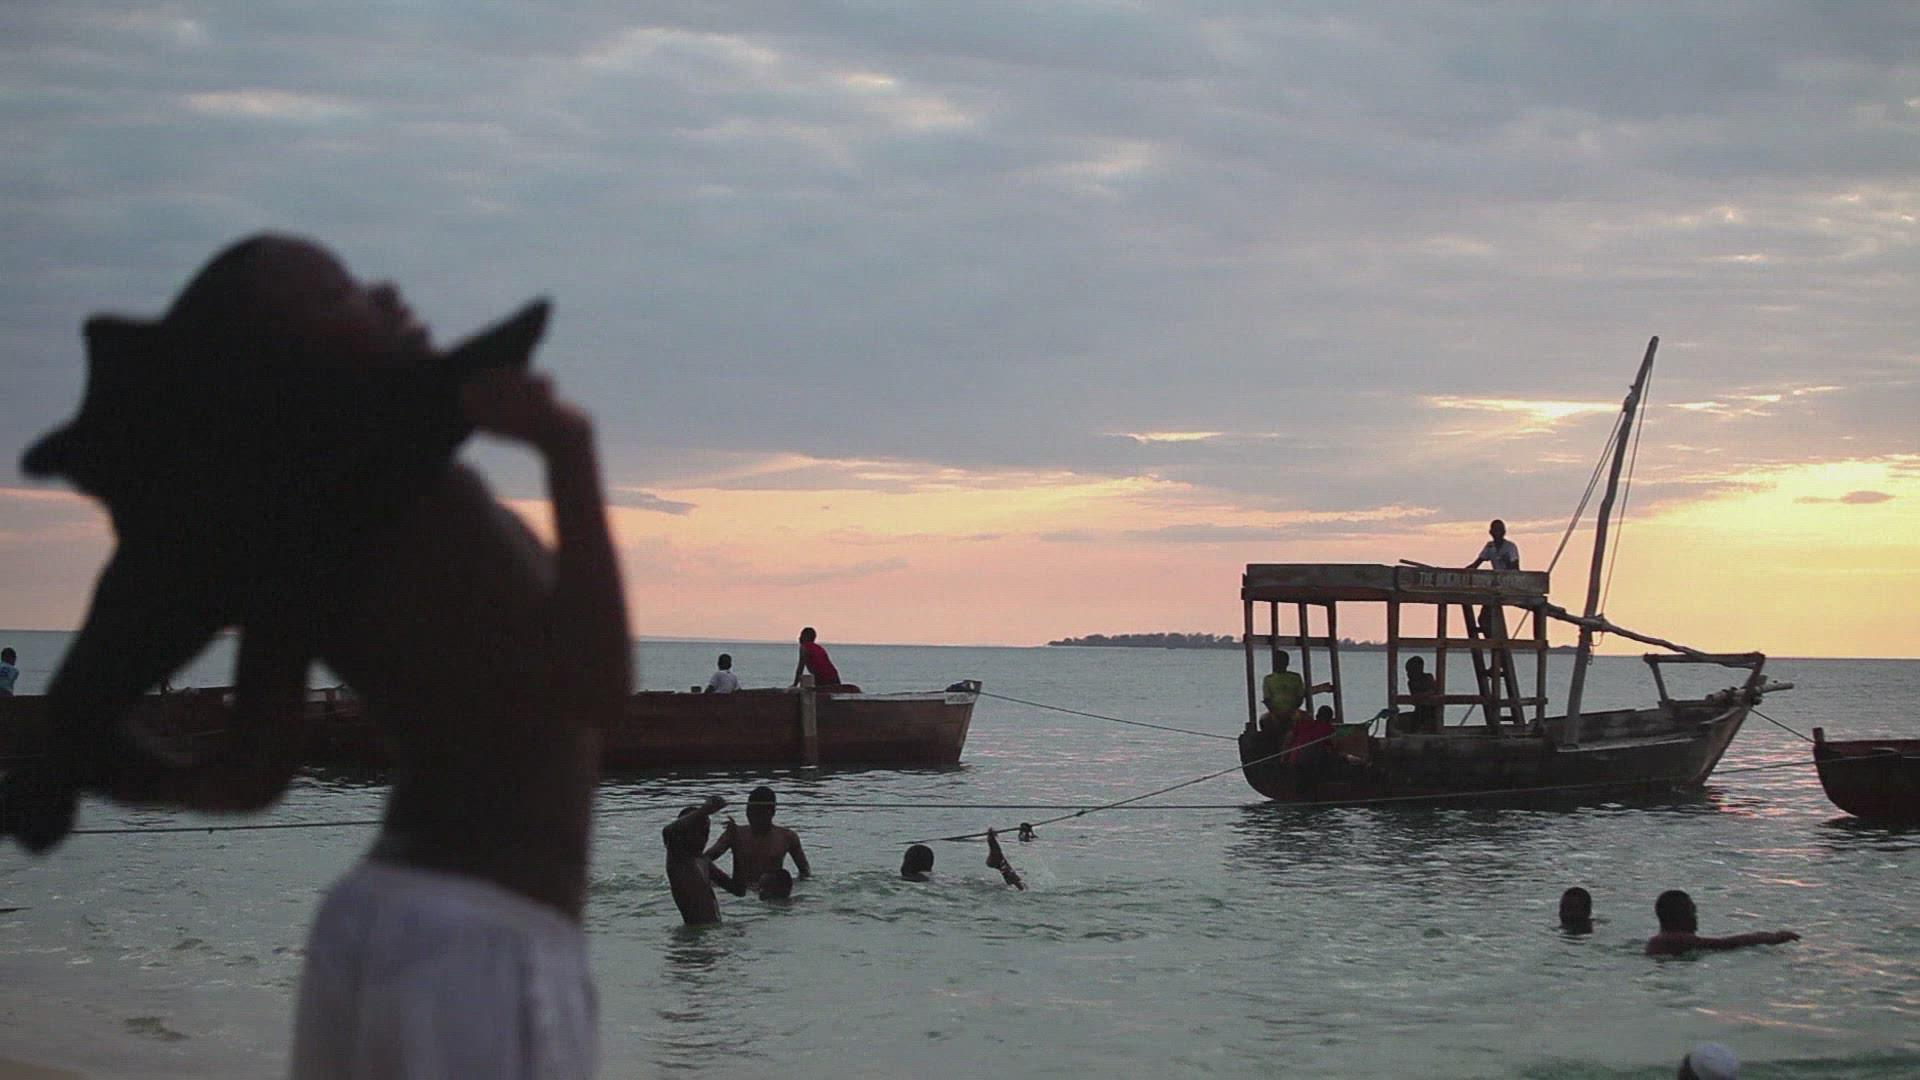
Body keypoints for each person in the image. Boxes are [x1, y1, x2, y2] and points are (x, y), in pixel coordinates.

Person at [5, 234, 629, 1078]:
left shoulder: (299, 539)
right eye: (340, 297)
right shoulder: (430, 503)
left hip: (373, 920)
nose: (384, 292)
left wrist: (99, 771)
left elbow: (253, 773)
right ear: (293, 359)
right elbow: (597, 690)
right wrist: (567, 447)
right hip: (479, 943)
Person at [704, 785, 811, 886]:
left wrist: (785, 886)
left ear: (772, 812)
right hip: (742, 890)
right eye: (750, 811)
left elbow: (805, 872)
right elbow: (704, 860)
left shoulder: (787, 837)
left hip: (771, 892)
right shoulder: (735, 833)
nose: (753, 816)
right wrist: (720, 882)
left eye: (759, 813)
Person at [664, 796, 745, 925]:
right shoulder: (678, 859)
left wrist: (736, 846)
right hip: (695, 933)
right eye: (696, 831)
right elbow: (669, 831)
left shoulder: (703, 862)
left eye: (705, 831)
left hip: (713, 927)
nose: (702, 837)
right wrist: (704, 811)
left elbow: (739, 890)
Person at [1645, 890, 1799, 957]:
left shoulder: (1662, 941)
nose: (1696, 918)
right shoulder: (1677, 939)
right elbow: (1726, 944)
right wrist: (1772, 938)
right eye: (1692, 912)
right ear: (1679, 916)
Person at [791, 626, 858, 692]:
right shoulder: (818, 648)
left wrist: (795, 684)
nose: (799, 638)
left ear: (805, 637)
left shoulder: (804, 647)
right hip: (833, 676)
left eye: (801, 635)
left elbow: (800, 668)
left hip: (822, 678)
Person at [1402, 656, 1440, 734]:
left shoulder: (1428, 677)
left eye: (1411, 671)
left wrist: (1422, 696)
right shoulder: (1411, 682)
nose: (1408, 674)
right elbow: (1414, 698)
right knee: (1397, 720)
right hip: (1419, 711)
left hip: (1430, 713)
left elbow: (1433, 691)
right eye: (1408, 671)